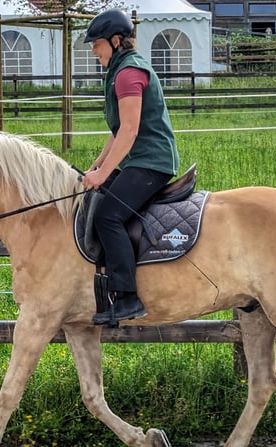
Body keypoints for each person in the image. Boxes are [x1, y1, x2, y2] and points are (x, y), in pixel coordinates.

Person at [82, 9, 179, 326]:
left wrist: (104, 173)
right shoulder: (120, 70)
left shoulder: (128, 74)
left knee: (108, 215)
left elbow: (129, 131)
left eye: (96, 44)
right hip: (140, 160)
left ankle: (127, 297)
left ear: (114, 40)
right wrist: (95, 168)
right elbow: (116, 132)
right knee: (99, 201)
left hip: (151, 162)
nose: (94, 50)